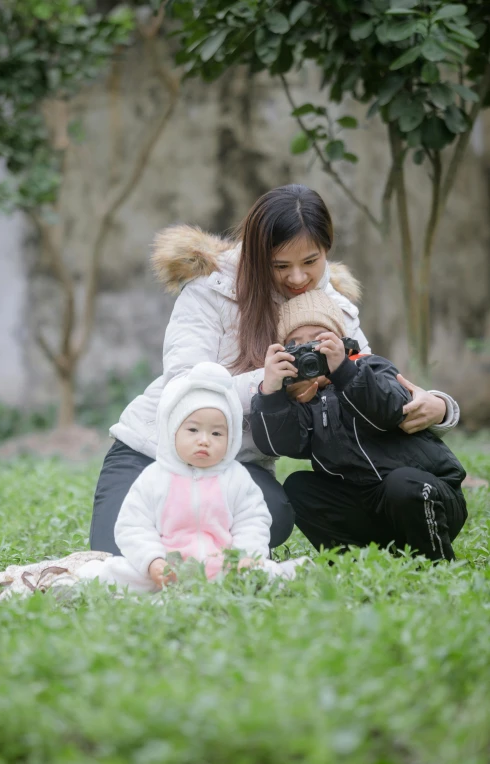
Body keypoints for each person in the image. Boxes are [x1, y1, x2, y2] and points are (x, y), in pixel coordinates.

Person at [90, 184, 460, 555]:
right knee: (111, 557)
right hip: (154, 451)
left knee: (273, 517)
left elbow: (370, 381)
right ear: (255, 255)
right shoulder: (210, 289)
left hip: (237, 465)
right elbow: (182, 389)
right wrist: (270, 384)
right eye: (280, 265)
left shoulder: (335, 309)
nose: (298, 278)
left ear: (327, 250)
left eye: (311, 262)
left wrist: (440, 406)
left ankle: (190, 549)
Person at [0, 363, 307, 601]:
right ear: (173, 431)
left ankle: (300, 574)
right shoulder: (156, 477)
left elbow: (253, 520)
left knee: (267, 573)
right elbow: (133, 526)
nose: (204, 441)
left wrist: (245, 556)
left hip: (223, 563)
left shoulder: (236, 479)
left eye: (217, 433)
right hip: (166, 564)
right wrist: (153, 560)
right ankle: (53, 585)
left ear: (233, 435)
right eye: (193, 430)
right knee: (112, 574)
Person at [250, 290, 467, 561]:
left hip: (427, 497)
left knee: (402, 484)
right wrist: (271, 394)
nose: (310, 350)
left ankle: (435, 561)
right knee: (298, 487)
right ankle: (354, 563)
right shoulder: (305, 399)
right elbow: (278, 444)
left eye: (319, 339)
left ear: (342, 341)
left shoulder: (371, 367)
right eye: (295, 344)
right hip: (363, 505)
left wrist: (343, 371)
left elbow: (388, 410)